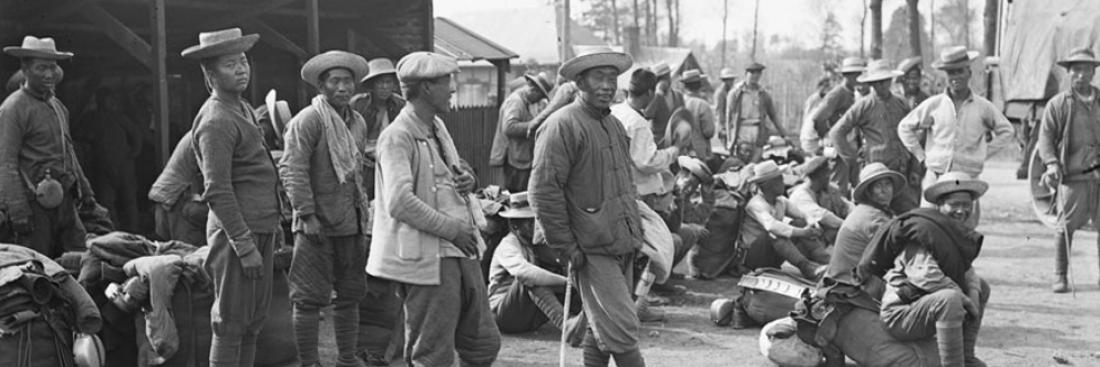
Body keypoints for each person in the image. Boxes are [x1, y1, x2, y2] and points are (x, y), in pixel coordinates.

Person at [367, 51, 500, 367]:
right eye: (446, 82)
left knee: (482, 343)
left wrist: (467, 179)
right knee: (433, 352)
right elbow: (399, 201)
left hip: (459, 251)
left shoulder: (437, 126)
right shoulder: (397, 137)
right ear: (426, 88)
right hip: (427, 256)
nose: (452, 88)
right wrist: (452, 229)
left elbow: (445, 175)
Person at [529, 49, 648, 367]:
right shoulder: (562, 125)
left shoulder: (614, 126)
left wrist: (634, 231)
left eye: (612, 79)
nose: (608, 86)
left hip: (620, 241)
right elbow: (543, 191)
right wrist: (566, 245)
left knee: (602, 330)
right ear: (580, 81)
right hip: (590, 245)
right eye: (599, 78)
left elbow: (626, 186)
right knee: (623, 331)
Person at [182, 28, 280, 367]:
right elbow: (217, 190)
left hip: (259, 227)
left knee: (252, 322)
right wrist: (244, 243)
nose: (241, 69)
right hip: (237, 234)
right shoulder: (216, 120)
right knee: (230, 324)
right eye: (229, 64)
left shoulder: (243, 109)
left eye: (243, 61)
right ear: (210, 75)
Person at [279, 50, 371, 367]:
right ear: (322, 87)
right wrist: (306, 215)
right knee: (307, 299)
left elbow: (357, 170)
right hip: (315, 225)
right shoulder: (308, 121)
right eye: (336, 81)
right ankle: (310, 363)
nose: (343, 88)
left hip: (350, 222)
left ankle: (346, 359)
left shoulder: (357, 122)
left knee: (350, 296)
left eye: (348, 81)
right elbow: (292, 168)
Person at [857, 172, 991, 367]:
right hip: (900, 313)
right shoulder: (924, 231)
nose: (961, 211)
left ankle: (965, 356)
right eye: (954, 205)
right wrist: (966, 301)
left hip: (922, 306)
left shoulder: (952, 231)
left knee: (981, 286)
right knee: (950, 298)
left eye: (966, 205)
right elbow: (928, 277)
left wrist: (974, 293)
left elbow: (967, 271)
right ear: (940, 206)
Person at [898, 46, 1014, 226]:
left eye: (960, 71)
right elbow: (905, 128)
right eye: (951, 73)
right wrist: (921, 157)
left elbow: (1007, 131)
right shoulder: (934, 105)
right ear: (945, 76)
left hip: (967, 181)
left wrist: (984, 152)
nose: (956, 77)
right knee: (928, 228)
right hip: (936, 177)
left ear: (969, 72)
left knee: (964, 234)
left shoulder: (983, 107)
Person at [0, 35, 94, 259]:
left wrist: (85, 189)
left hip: (65, 200)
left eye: (52, 67)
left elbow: (69, 151)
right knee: (37, 265)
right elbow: (6, 161)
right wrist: (18, 209)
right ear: (25, 68)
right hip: (34, 204)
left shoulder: (58, 106)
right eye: (41, 68)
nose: (49, 74)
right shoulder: (14, 108)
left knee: (82, 258)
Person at [348, 57, 404, 363]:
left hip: (389, 164)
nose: (385, 87)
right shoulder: (359, 105)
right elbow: (352, 140)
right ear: (371, 85)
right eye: (380, 82)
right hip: (366, 165)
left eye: (389, 82)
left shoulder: (399, 105)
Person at [1037, 47, 1100, 293]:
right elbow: (1046, 137)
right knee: (1065, 226)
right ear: (1069, 73)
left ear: (1094, 72)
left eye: (1086, 70)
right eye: (1076, 70)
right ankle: (1060, 275)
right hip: (1074, 176)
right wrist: (1052, 163)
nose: (1081, 75)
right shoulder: (1059, 104)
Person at [829, 60, 921, 213]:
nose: (881, 86)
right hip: (876, 174)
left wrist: (915, 168)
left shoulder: (901, 103)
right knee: (875, 215)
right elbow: (837, 132)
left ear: (890, 80)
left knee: (908, 214)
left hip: (901, 172)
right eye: (876, 83)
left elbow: (913, 134)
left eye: (884, 81)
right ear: (871, 84)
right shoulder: (864, 105)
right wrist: (851, 161)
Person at [488, 192, 574, 333]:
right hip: (502, 314)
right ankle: (567, 325)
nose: (535, 225)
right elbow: (524, 272)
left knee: (564, 275)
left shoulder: (534, 243)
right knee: (530, 278)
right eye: (528, 222)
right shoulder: (508, 244)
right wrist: (566, 281)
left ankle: (587, 323)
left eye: (535, 221)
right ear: (515, 226)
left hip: (528, 317)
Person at [825, 162, 905, 298]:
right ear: (869, 191)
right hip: (852, 285)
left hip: (852, 278)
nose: (884, 190)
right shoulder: (873, 218)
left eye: (887, 184)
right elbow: (898, 253)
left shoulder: (873, 211)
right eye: (878, 186)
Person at [739, 160, 829, 280]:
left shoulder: (781, 200)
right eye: (780, 180)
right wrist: (803, 232)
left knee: (800, 223)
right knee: (776, 233)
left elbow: (803, 215)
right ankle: (806, 267)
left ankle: (826, 260)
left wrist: (812, 224)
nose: (783, 182)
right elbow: (772, 226)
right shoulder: (756, 204)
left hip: (774, 254)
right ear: (769, 185)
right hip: (754, 257)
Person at [79, 87, 143, 231]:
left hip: (124, 164)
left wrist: (134, 152)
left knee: (129, 199)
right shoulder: (91, 117)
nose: (106, 102)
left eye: (109, 98)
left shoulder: (119, 116)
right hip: (103, 165)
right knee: (107, 201)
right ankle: (113, 231)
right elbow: (78, 133)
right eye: (103, 98)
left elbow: (136, 134)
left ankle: (135, 230)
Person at [489, 72, 553, 192]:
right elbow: (509, 127)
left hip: (519, 157)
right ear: (534, 90)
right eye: (539, 96)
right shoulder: (516, 102)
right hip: (514, 160)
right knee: (517, 197)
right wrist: (533, 125)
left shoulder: (524, 102)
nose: (538, 100)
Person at [811, 57, 866, 194]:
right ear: (847, 76)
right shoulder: (837, 94)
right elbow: (819, 117)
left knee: (855, 184)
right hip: (838, 147)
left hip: (849, 145)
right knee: (838, 186)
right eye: (856, 75)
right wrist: (827, 137)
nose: (859, 78)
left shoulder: (853, 93)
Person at [148, 131, 207, 246]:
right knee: (188, 255)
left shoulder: (204, 129)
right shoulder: (211, 131)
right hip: (177, 200)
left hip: (168, 196)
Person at [725, 61, 788, 155]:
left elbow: (773, 116)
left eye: (758, 74)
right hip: (741, 129)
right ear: (746, 74)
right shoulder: (735, 93)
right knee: (741, 157)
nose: (755, 77)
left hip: (757, 129)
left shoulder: (763, 94)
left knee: (756, 159)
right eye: (752, 73)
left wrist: (784, 134)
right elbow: (729, 117)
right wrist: (729, 139)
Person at [788, 156, 851, 247]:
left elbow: (845, 205)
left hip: (826, 235)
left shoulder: (830, 189)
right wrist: (849, 226)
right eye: (826, 174)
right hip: (808, 240)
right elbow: (823, 216)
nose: (828, 177)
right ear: (818, 177)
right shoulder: (801, 196)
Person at [676, 69, 717, 159]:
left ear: (685, 86)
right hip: (700, 151)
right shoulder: (702, 105)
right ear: (700, 85)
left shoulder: (678, 102)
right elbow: (709, 131)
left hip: (681, 151)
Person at [644, 62, 686, 145]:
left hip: (676, 144)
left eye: (667, 77)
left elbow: (684, 118)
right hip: (658, 144)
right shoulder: (651, 96)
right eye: (662, 78)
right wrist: (658, 94)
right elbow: (647, 115)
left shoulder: (678, 95)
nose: (667, 80)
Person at [799, 75, 834, 154]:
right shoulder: (813, 100)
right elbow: (808, 118)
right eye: (825, 86)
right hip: (811, 137)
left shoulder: (827, 99)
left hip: (817, 135)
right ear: (820, 86)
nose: (827, 88)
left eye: (828, 86)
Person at [713, 67, 737, 147]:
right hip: (724, 126)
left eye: (732, 79)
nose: (731, 82)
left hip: (732, 125)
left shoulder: (733, 92)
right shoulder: (720, 93)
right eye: (729, 79)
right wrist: (723, 128)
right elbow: (719, 112)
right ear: (724, 80)